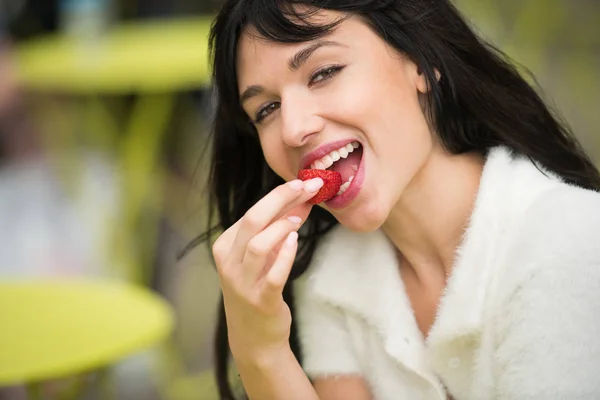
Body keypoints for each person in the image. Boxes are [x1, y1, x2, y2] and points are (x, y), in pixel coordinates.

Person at [184, 0, 600, 399]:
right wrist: (261, 352)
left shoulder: (564, 244)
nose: (292, 129)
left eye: (324, 72)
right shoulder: (336, 277)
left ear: (420, 61)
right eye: (266, 108)